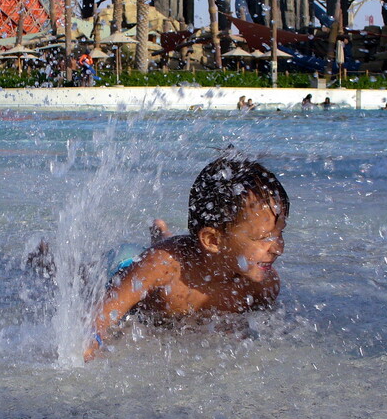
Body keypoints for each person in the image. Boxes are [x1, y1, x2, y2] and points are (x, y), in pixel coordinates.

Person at [84, 154, 289, 361]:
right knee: (80, 274)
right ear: (213, 240)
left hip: (183, 254)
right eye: (264, 238)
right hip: (122, 263)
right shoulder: (161, 265)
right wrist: (92, 342)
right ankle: (49, 256)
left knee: (173, 250)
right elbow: (101, 316)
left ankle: (161, 234)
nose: (278, 248)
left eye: (280, 233)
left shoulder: (262, 286)